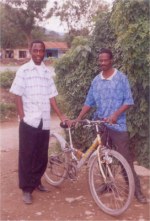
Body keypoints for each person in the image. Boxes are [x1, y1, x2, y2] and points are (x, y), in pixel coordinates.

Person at [75, 48, 147, 204]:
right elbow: (89, 102)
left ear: (111, 60)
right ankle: (107, 184)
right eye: (100, 60)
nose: (102, 63)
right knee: (103, 158)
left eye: (105, 60)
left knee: (125, 160)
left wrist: (115, 115)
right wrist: (79, 118)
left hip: (118, 126)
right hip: (101, 125)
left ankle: (137, 192)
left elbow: (128, 101)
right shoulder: (96, 81)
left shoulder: (121, 78)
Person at [10, 40, 68, 205]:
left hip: (44, 120)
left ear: (44, 52)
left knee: (41, 155)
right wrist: (23, 117)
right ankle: (27, 189)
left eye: (41, 51)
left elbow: (52, 97)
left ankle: (36, 181)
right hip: (29, 120)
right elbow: (17, 95)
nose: (38, 54)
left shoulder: (46, 72)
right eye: (35, 51)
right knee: (27, 156)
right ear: (30, 51)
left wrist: (61, 115)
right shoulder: (24, 71)